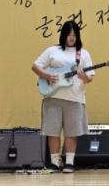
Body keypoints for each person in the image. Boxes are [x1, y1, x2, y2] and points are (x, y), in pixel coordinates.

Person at [32, 20, 94, 173]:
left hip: (75, 98)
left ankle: (69, 163)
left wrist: (83, 76)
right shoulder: (52, 50)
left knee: (72, 132)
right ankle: (54, 163)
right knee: (52, 131)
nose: (71, 38)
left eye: (74, 35)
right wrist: (47, 75)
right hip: (52, 97)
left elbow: (89, 79)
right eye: (69, 35)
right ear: (63, 35)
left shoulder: (83, 54)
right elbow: (35, 66)